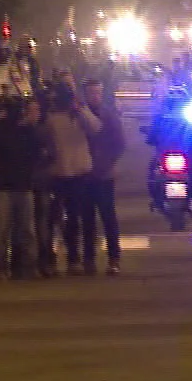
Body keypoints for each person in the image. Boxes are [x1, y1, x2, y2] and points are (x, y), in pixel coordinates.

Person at [43, 79, 101, 276]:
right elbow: (45, 140)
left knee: (83, 217)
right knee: (58, 219)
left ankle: (85, 259)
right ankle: (62, 258)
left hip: (80, 171)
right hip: (58, 172)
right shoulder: (51, 117)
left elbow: (96, 128)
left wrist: (79, 111)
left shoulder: (79, 114)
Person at [0, 93, 46, 278]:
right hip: (4, 186)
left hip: (24, 185)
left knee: (26, 229)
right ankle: (2, 267)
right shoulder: (2, 129)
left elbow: (38, 152)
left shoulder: (29, 131)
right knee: (3, 229)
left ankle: (27, 266)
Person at [79, 78, 127, 275]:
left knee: (108, 217)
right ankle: (88, 260)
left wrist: (108, 162)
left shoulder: (109, 115)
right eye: (91, 93)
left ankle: (113, 258)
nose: (94, 97)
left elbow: (119, 143)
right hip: (84, 173)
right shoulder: (80, 115)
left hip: (104, 174)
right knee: (87, 219)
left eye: (97, 93)